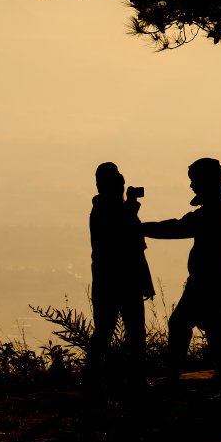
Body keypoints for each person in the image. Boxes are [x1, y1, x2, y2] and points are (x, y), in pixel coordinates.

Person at [143, 157, 221, 378]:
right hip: (212, 279)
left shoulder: (214, 210)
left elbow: (179, 227)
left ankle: (176, 375)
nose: (191, 186)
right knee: (214, 328)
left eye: (195, 181)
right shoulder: (218, 205)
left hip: (207, 281)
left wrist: (140, 228)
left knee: (182, 324)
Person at [86, 162, 153, 381]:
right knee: (106, 334)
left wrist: (145, 281)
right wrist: (131, 209)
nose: (119, 189)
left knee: (134, 335)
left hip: (127, 282)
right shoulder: (102, 212)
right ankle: (94, 381)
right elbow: (120, 239)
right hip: (111, 283)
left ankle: (135, 381)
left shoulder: (117, 211)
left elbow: (136, 249)